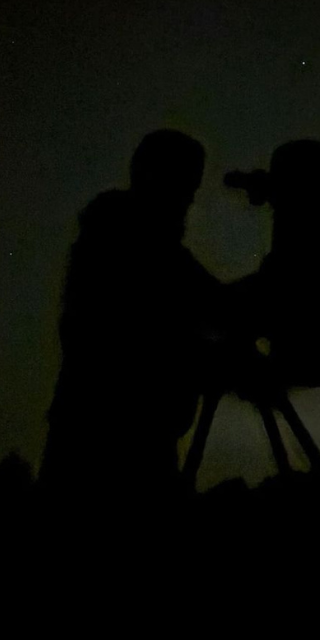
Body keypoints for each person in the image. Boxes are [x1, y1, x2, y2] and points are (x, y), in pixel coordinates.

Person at [38, 130, 222, 520]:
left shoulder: (128, 234)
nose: (189, 198)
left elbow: (208, 303)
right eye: (184, 183)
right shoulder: (129, 234)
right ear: (154, 176)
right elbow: (139, 335)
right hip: (110, 450)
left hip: (110, 441)